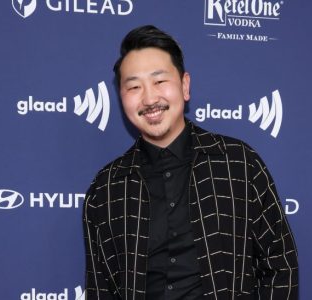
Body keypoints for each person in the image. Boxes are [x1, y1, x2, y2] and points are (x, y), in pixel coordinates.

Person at [83, 25, 298, 300]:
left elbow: (280, 265)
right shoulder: (105, 190)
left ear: (185, 86)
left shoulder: (240, 164)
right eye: (134, 86)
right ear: (121, 98)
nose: (150, 98)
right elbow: (101, 290)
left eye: (160, 81)